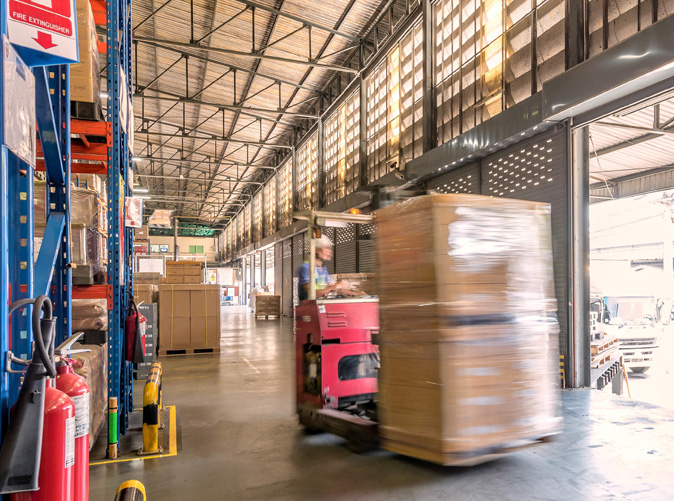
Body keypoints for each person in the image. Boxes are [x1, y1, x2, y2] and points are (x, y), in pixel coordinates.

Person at [297, 236, 358, 301]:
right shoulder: (305, 268)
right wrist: (334, 287)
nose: (331, 252)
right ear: (317, 251)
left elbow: (334, 288)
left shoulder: (323, 269)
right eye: (327, 248)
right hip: (308, 308)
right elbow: (312, 294)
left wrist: (356, 294)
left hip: (320, 305)